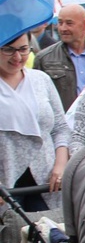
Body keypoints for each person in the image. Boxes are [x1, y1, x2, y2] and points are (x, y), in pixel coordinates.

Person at [0, 32, 69, 212]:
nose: (17, 57)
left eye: (23, 49)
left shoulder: (41, 79)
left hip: (47, 182)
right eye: (8, 50)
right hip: (6, 184)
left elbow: (60, 128)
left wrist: (61, 165)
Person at [35, 4, 85, 111]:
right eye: (60, 23)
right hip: (62, 124)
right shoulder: (44, 58)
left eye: (69, 23)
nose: (63, 28)